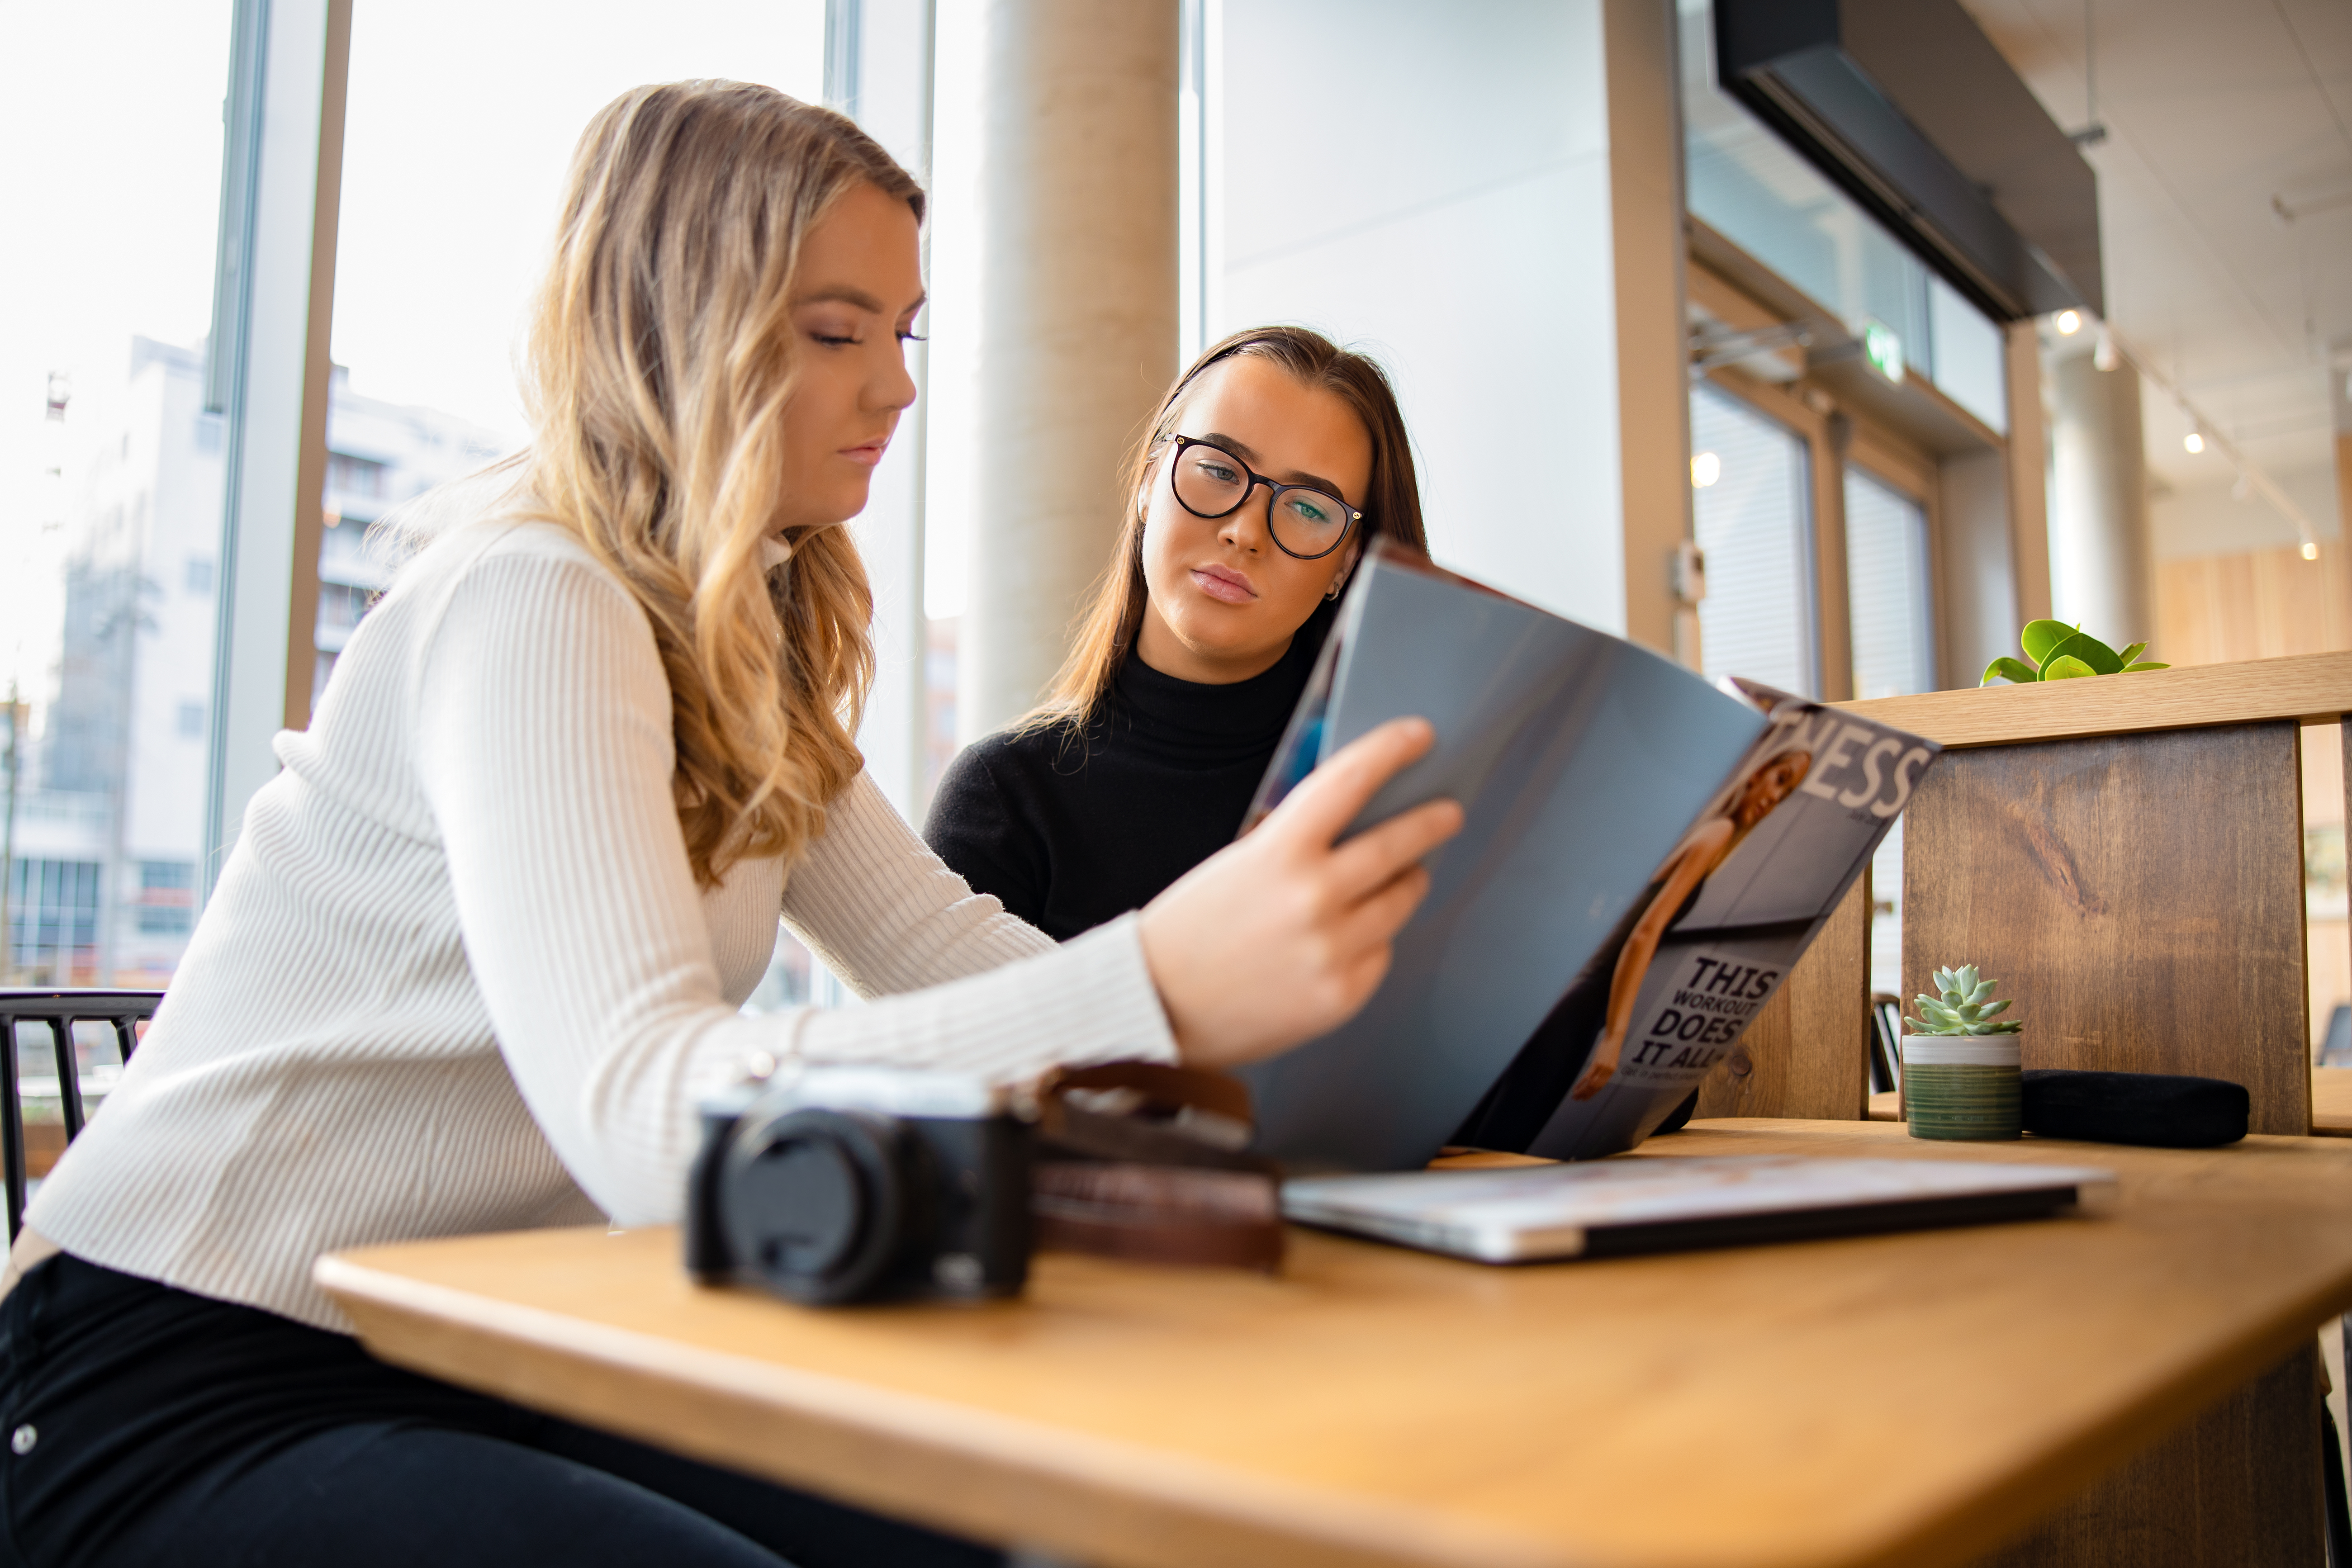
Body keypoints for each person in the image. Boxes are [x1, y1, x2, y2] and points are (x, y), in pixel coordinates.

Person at [0, 83, 1461, 1568]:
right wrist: (1158, 979)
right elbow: (646, 1110)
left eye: (904, 332)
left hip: (478, 1342)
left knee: (1005, 1527)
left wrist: (1262, 1085)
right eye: (839, 332)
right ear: (675, 329)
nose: (895, 387)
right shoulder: (535, 593)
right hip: (171, 1371)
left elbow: (945, 947)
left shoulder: (734, 647)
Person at [925, 327, 1430, 939]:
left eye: (1307, 508)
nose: (1245, 531)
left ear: (1347, 562)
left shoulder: (1399, 794)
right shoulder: (1006, 798)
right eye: (1218, 468)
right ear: (1147, 481)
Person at [1565, 746, 1813, 1100]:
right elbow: (1643, 935)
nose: (1774, 797)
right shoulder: (1719, 831)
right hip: (1585, 1003)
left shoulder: (1713, 833)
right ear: (1757, 772)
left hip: (1588, 1004)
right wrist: (1615, 1038)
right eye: (1781, 779)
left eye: (1785, 795)